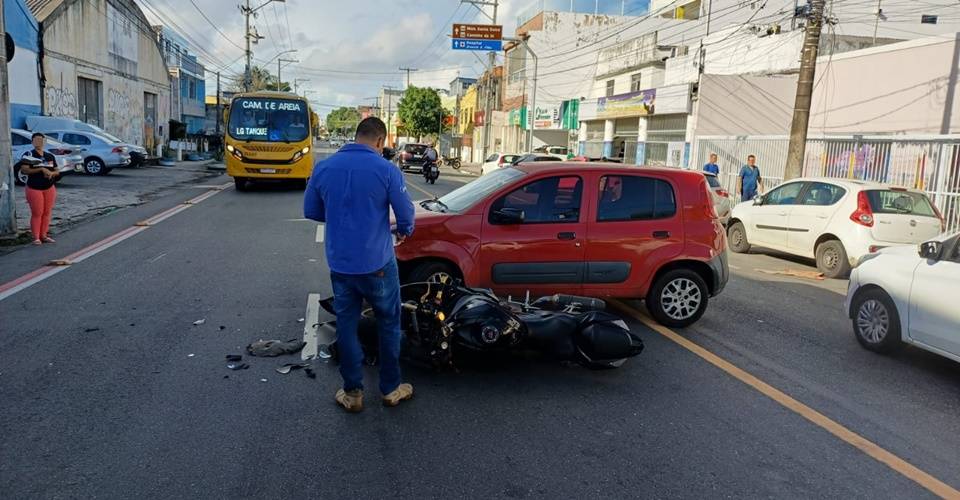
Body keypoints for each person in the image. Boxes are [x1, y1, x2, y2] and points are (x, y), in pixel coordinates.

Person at [304, 117, 415, 413]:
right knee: (389, 323)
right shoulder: (387, 170)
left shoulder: (324, 168)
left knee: (347, 324)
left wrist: (344, 216)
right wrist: (403, 230)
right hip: (378, 263)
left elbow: (311, 210)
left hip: (341, 265)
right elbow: (406, 215)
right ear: (380, 141)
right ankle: (391, 389)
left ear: (356, 136)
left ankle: (353, 392)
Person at [17, 133, 59, 246]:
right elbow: (25, 170)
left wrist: (51, 173)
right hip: (34, 188)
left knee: (47, 212)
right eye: (36, 140)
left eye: (41, 140)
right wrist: (40, 169)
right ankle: (36, 237)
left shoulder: (49, 156)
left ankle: (44, 235)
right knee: (37, 212)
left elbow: (57, 170)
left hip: (49, 187)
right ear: (32, 141)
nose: (39, 142)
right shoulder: (28, 155)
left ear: (44, 142)